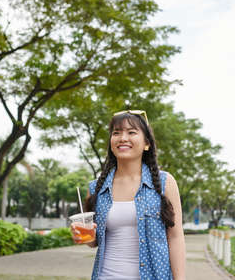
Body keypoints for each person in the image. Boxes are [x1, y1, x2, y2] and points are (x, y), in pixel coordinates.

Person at [70, 110, 186, 280]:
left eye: (131, 132)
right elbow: (94, 242)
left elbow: (175, 237)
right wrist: (83, 236)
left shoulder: (164, 182)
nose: (123, 138)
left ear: (147, 143)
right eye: (116, 133)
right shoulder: (96, 188)